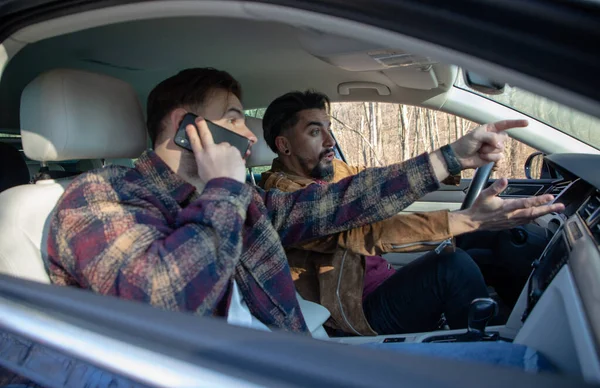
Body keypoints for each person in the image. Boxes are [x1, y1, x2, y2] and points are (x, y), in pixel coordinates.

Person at [47, 68, 563, 337]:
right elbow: (162, 297)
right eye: (232, 118)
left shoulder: (234, 200)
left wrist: (449, 156)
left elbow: (339, 203)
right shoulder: (97, 199)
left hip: (287, 353)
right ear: (186, 128)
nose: (249, 138)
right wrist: (224, 190)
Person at [260, 90, 554, 335]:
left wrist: (453, 168)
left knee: (487, 247)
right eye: (314, 131)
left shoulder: (330, 171)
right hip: (358, 314)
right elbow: (366, 232)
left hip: (383, 283)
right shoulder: (285, 200)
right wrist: (467, 219)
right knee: (454, 267)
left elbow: (379, 181)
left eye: (328, 129)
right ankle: (491, 365)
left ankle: (534, 331)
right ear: (284, 145)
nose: (330, 141)